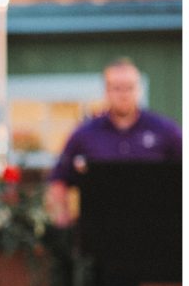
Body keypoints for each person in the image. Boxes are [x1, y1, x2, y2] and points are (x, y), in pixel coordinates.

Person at [46, 57, 182, 227]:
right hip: (99, 231)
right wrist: (62, 219)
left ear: (138, 89)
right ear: (106, 91)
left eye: (129, 87)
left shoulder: (165, 130)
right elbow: (59, 179)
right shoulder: (85, 133)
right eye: (117, 88)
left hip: (156, 229)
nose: (123, 94)